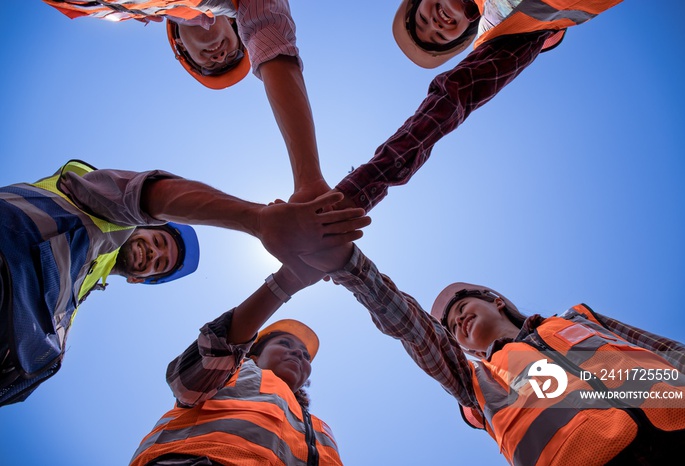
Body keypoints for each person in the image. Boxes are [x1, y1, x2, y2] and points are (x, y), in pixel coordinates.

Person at [292, 241, 685, 465]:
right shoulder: (475, 383)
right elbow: (413, 330)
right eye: (450, 328)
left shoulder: (579, 317)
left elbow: (669, 351)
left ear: (494, 300)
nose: (457, 324)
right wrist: (351, 267)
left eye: (458, 310)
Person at [0, 159, 369, 407]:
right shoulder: (94, 211)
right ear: (143, 223)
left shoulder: (75, 294)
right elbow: (143, 195)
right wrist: (257, 220)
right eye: (159, 242)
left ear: (135, 280)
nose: (155, 256)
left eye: (159, 265)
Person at [334, 0, 624, 211]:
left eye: (422, 20)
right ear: (463, 34)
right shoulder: (502, 31)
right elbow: (454, 98)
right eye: (438, 37)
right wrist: (363, 186)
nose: (434, 25)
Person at [43, 0, 329, 202]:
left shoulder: (123, 10)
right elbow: (271, 41)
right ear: (235, 24)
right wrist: (310, 179)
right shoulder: (232, 3)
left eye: (210, 65)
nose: (219, 57)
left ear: (183, 49)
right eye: (234, 54)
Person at [129, 262, 343, 466]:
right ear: (254, 355)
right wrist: (287, 280)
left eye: (306, 355)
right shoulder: (233, 372)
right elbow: (190, 379)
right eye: (284, 343)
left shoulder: (320, 429)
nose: (298, 353)